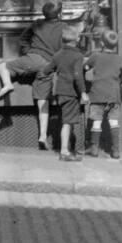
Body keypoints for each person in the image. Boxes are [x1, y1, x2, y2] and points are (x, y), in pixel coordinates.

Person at [0, 0, 67, 150]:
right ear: (59, 14)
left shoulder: (37, 24)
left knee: (3, 66)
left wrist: (28, 51)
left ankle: (8, 84)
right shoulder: (63, 27)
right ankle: (42, 135)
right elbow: (65, 48)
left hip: (34, 59)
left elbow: (23, 39)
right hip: (50, 66)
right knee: (43, 101)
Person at [47, 26, 89, 162]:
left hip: (60, 91)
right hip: (71, 92)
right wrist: (83, 92)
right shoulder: (77, 56)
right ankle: (64, 151)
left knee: (67, 120)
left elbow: (46, 70)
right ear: (77, 39)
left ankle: (67, 149)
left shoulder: (58, 54)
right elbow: (78, 75)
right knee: (67, 122)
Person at [84, 29, 122, 159]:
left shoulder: (95, 56)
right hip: (114, 95)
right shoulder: (120, 59)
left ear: (101, 43)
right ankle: (115, 150)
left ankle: (94, 148)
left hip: (97, 94)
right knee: (114, 122)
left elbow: (86, 67)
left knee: (96, 121)